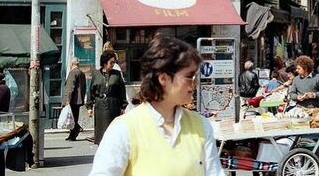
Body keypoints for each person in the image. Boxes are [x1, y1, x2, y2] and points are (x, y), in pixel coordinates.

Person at [89, 34, 222, 175]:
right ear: (163, 78)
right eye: (189, 76)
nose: (194, 84)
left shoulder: (201, 126)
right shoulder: (125, 129)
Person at [86, 51, 127, 145]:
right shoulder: (96, 74)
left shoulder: (116, 74)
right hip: (100, 106)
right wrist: (89, 107)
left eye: (114, 62)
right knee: (102, 133)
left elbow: (122, 91)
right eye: (111, 62)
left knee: (114, 132)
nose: (113, 64)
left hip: (114, 106)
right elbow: (91, 91)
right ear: (105, 62)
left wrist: (123, 106)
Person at [63, 57, 87, 141]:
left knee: (72, 118)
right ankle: (73, 133)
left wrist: (68, 99)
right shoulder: (82, 73)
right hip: (79, 99)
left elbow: (70, 87)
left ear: (72, 64)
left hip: (73, 100)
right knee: (74, 117)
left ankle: (75, 131)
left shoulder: (72, 73)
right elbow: (84, 87)